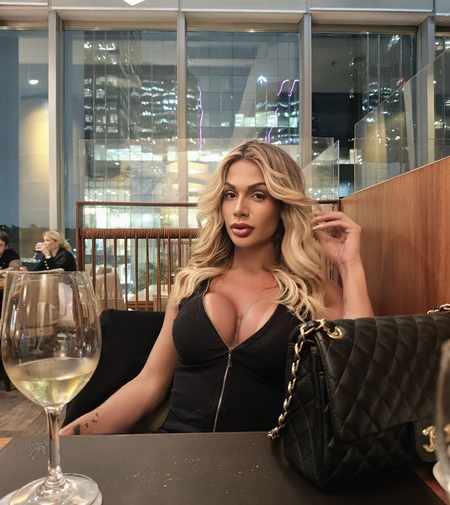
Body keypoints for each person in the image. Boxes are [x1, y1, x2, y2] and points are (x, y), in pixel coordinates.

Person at [61, 140, 373, 436]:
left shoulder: (315, 294)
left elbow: (360, 380)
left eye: (258, 195)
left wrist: (350, 265)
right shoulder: (191, 283)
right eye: (229, 194)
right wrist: (65, 438)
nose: (239, 209)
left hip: (269, 461)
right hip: (174, 453)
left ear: (283, 205)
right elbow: (149, 384)